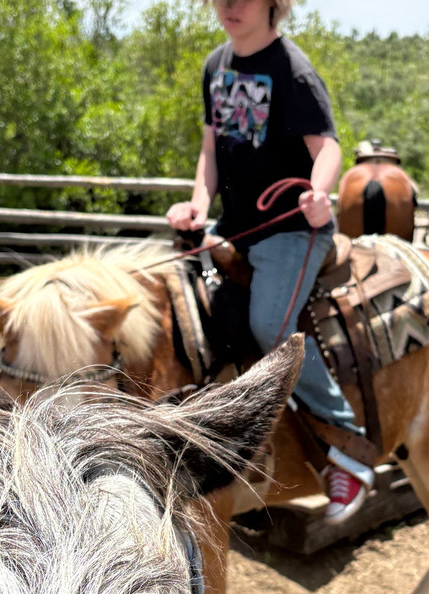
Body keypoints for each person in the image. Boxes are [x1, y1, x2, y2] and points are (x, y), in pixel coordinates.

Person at [166, 0, 374, 525]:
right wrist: (197, 203)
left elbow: (326, 146)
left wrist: (320, 192)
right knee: (171, 292)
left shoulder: (292, 71)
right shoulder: (216, 65)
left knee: (269, 326)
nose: (229, 6)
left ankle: (349, 447)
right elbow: (211, 150)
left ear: (273, 5)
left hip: (292, 231)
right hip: (235, 226)